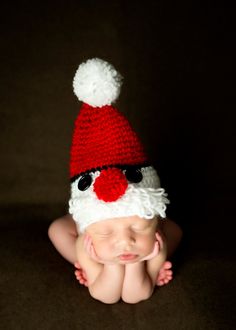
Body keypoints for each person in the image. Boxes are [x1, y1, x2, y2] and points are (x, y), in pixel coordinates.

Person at [48, 58, 182, 304]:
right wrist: (105, 266)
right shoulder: (87, 241)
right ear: (90, 230)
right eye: (106, 233)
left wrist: (144, 264)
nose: (125, 241)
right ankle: (82, 265)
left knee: (174, 229)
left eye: (139, 227)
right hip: (89, 232)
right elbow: (105, 296)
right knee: (57, 230)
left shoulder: (154, 240)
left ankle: (145, 241)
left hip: (145, 229)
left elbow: (136, 296)